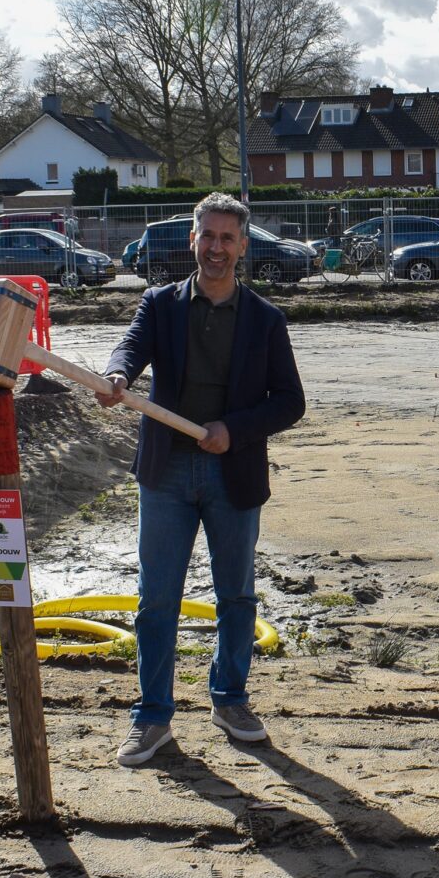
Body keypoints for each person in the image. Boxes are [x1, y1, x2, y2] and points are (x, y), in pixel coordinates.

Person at [98, 193, 306, 767]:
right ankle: (153, 716)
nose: (216, 248)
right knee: (156, 599)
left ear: (243, 245)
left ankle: (230, 698)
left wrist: (232, 430)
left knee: (236, 595)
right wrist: (117, 373)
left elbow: (290, 402)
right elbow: (130, 348)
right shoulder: (160, 305)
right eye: (207, 237)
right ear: (191, 240)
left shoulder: (265, 319)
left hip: (231, 473)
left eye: (227, 239)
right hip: (165, 471)